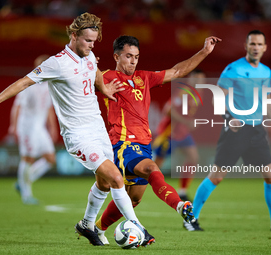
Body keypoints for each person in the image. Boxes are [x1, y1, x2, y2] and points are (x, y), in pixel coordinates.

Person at [0, 12, 150, 247]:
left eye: (94, 41)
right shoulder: (56, 63)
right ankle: (137, 227)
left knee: (102, 182)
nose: (91, 46)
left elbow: (95, 73)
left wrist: (105, 88)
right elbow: (23, 82)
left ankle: (86, 225)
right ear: (73, 35)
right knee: (115, 177)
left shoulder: (89, 56)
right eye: (87, 41)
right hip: (77, 135)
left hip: (97, 129)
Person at [93, 35, 221, 245]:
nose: (133, 61)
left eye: (136, 57)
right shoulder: (107, 77)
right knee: (153, 169)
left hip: (144, 145)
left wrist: (205, 51)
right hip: (123, 144)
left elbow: (178, 71)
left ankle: (97, 229)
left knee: (134, 199)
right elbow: (83, 79)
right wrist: (92, 69)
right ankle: (180, 205)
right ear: (116, 56)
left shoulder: (145, 78)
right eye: (128, 56)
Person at [184, 30, 271, 232]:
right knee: (217, 176)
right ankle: (190, 218)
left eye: (259, 44)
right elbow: (218, 98)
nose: (255, 47)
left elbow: (266, 101)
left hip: (257, 131)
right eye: (252, 44)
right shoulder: (233, 70)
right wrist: (230, 118)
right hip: (236, 131)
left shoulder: (265, 71)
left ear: (265, 47)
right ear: (246, 46)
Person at [8, 55, 58, 205]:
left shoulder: (49, 85)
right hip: (27, 127)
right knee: (28, 158)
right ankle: (26, 194)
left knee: (51, 159)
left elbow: (48, 108)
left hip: (40, 128)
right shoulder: (28, 84)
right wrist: (13, 126)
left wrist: (52, 127)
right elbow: (17, 106)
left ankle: (22, 182)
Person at [153, 69, 206, 202]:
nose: (199, 81)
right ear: (191, 79)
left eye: (201, 79)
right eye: (196, 78)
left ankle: (182, 191)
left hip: (183, 134)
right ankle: (135, 184)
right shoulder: (184, 92)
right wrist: (187, 122)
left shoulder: (199, 93)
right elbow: (168, 110)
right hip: (169, 133)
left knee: (193, 158)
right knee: (155, 166)